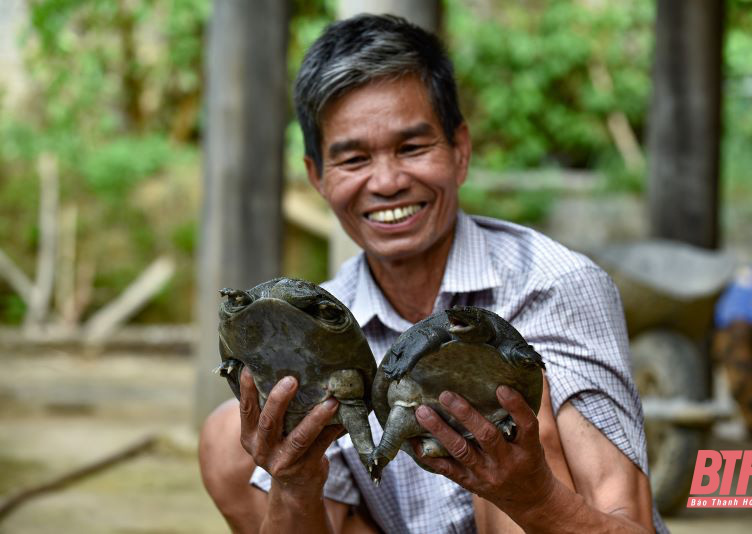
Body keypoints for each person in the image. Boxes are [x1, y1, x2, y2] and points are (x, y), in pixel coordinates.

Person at [199, 14, 666, 534]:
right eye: (354, 159)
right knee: (228, 440)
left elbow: (630, 524)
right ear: (318, 177)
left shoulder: (556, 285)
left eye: (412, 148)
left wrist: (530, 496)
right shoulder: (325, 324)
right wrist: (293, 480)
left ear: (460, 151)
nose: (388, 181)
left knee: (515, 408)